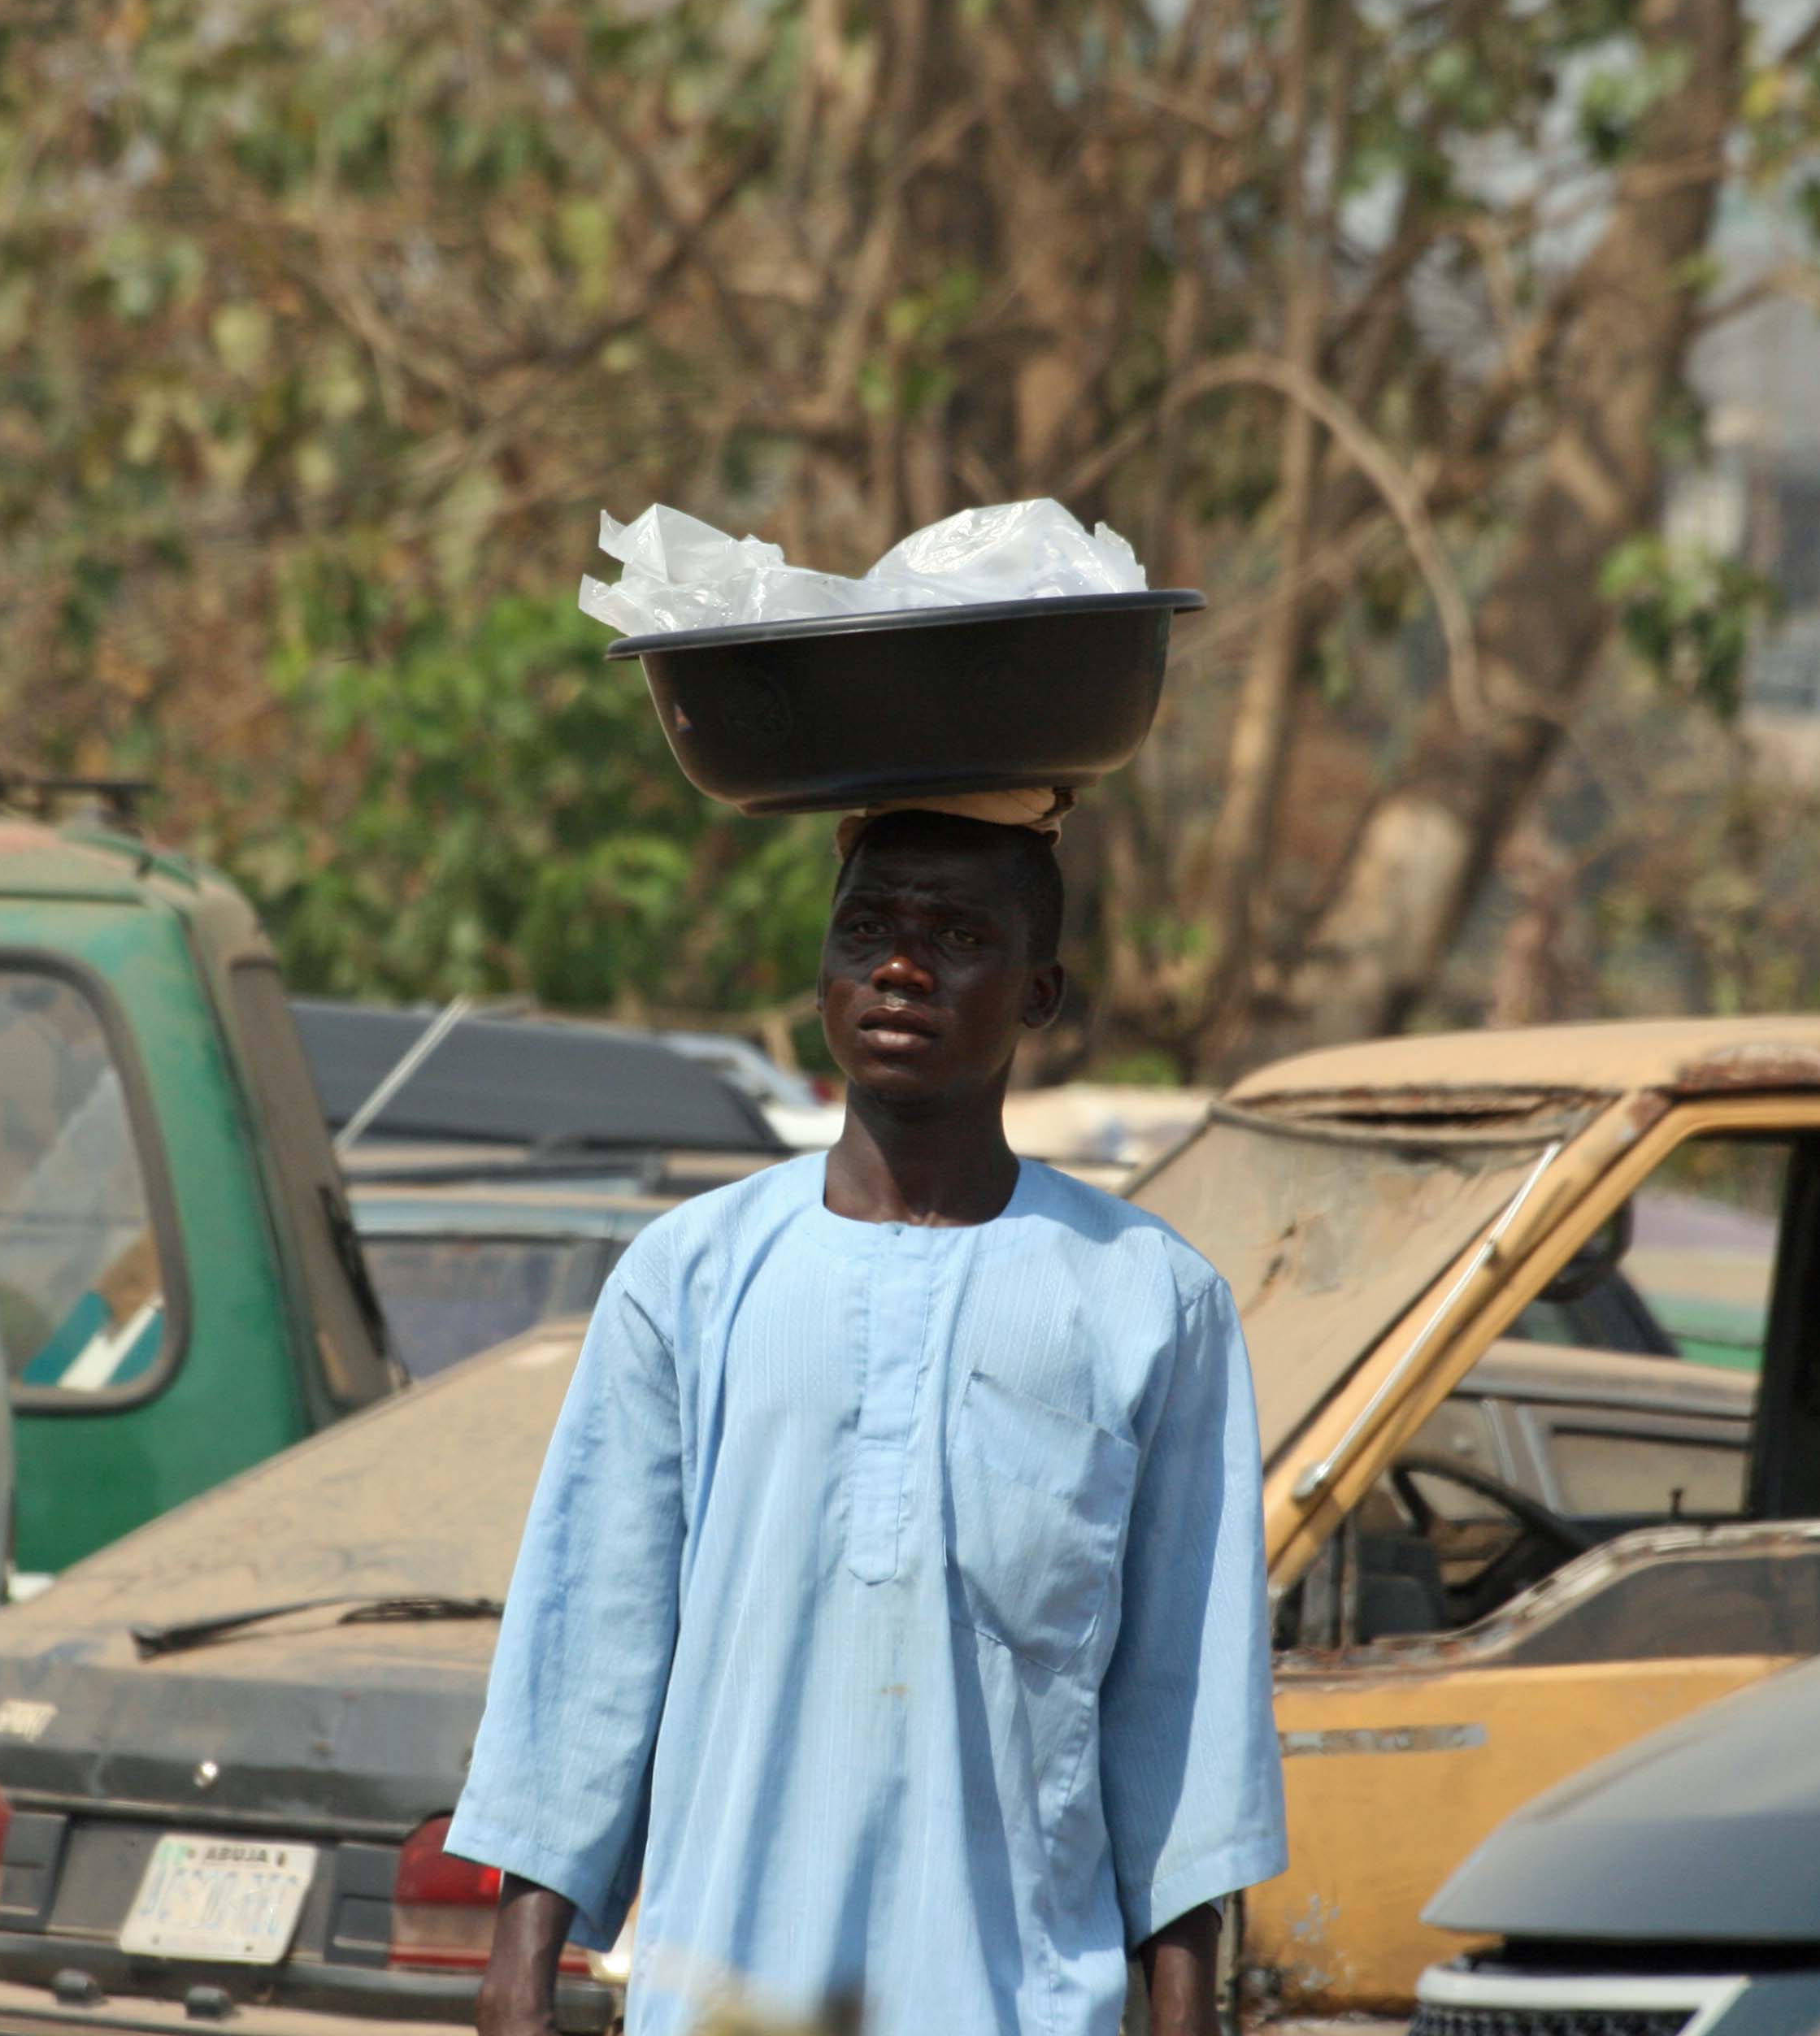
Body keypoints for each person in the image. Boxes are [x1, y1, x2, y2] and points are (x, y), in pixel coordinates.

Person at [446, 809, 1286, 2036]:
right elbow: (590, 1641)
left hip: (1019, 1999)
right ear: (825, 975)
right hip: (727, 1989)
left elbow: (1183, 1694)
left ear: (1039, 992)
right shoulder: (690, 1273)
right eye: (868, 929)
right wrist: (517, 1974)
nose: (901, 967)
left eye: (956, 935)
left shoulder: (1150, 1299)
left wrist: (1182, 2009)